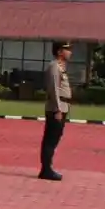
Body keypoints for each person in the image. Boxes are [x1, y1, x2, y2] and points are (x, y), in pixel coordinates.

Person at [39, 42, 72, 181]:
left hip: (63, 107)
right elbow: (53, 89)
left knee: (55, 138)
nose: (70, 52)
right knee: (50, 139)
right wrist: (58, 109)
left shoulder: (61, 67)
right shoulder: (54, 67)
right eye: (67, 49)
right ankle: (46, 169)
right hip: (56, 108)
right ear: (60, 52)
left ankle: (47, 168)